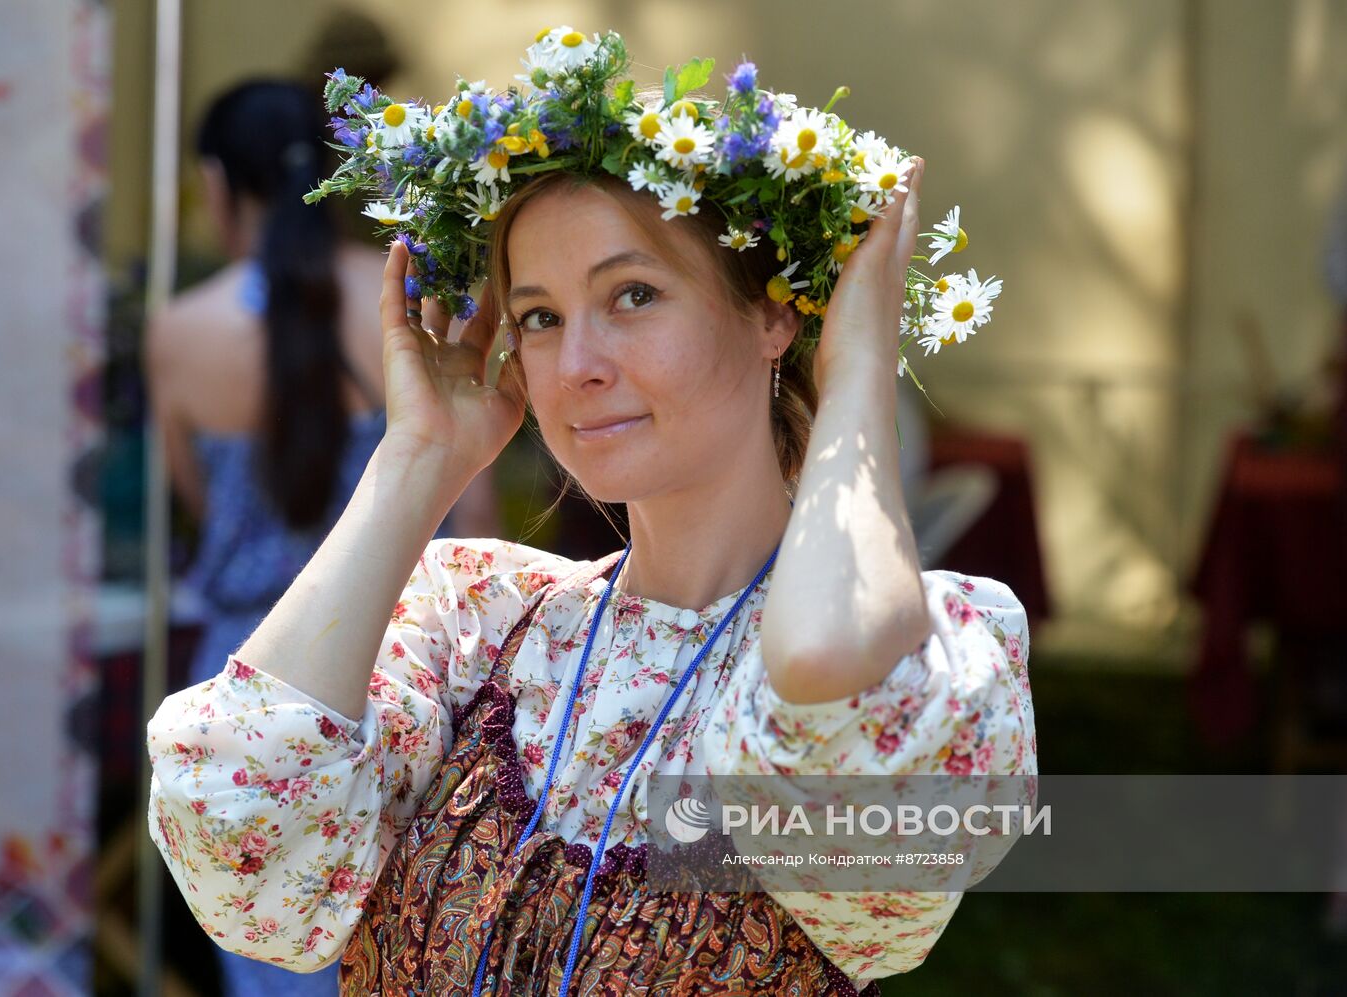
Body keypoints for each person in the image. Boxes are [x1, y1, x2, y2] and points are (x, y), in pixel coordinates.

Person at [146, 43, 1035, 994]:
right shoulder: (477, 621)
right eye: (538, 316)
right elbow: (241, 839)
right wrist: (418, 457)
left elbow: (825, 669)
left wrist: (856, 361)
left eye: (633, 295)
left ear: (775, 312)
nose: (577, 366)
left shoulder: (925, 650)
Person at [143, 79, 495, 997]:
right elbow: (478, 514)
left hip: (249, 673)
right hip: (402, 656)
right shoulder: (409, 306)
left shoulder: (179, 333)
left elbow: (191, 495)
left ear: (218, 184)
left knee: (274, 944)